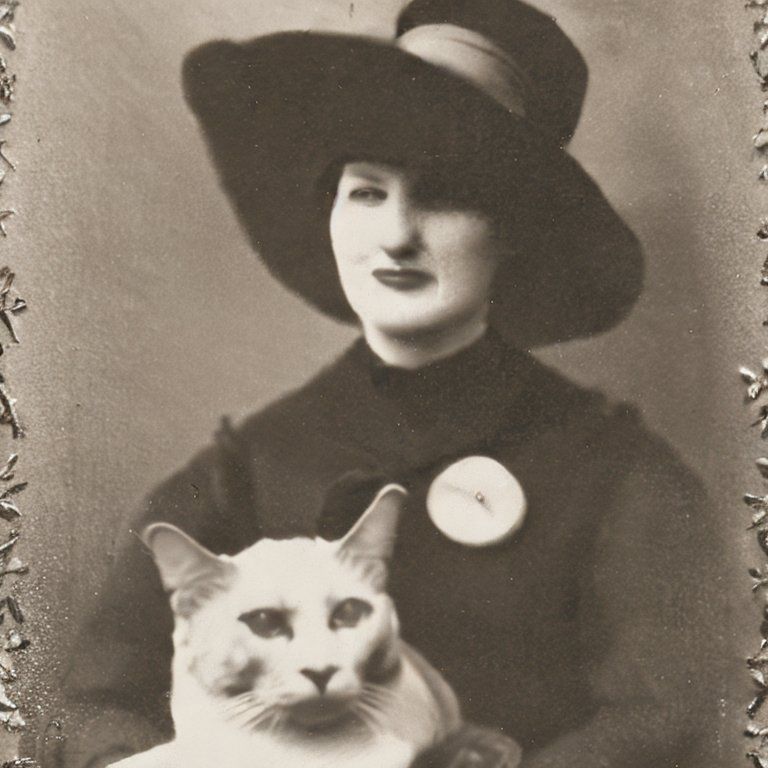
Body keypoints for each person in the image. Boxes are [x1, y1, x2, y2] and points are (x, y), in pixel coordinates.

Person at [55, 1, 730, 766]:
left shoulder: (619, 473)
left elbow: (661, 720)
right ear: (332, 216)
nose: (396, 236)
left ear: (513, 230)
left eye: (444, 195)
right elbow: (90, 706)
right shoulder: (248, 465)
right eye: (367, 192)